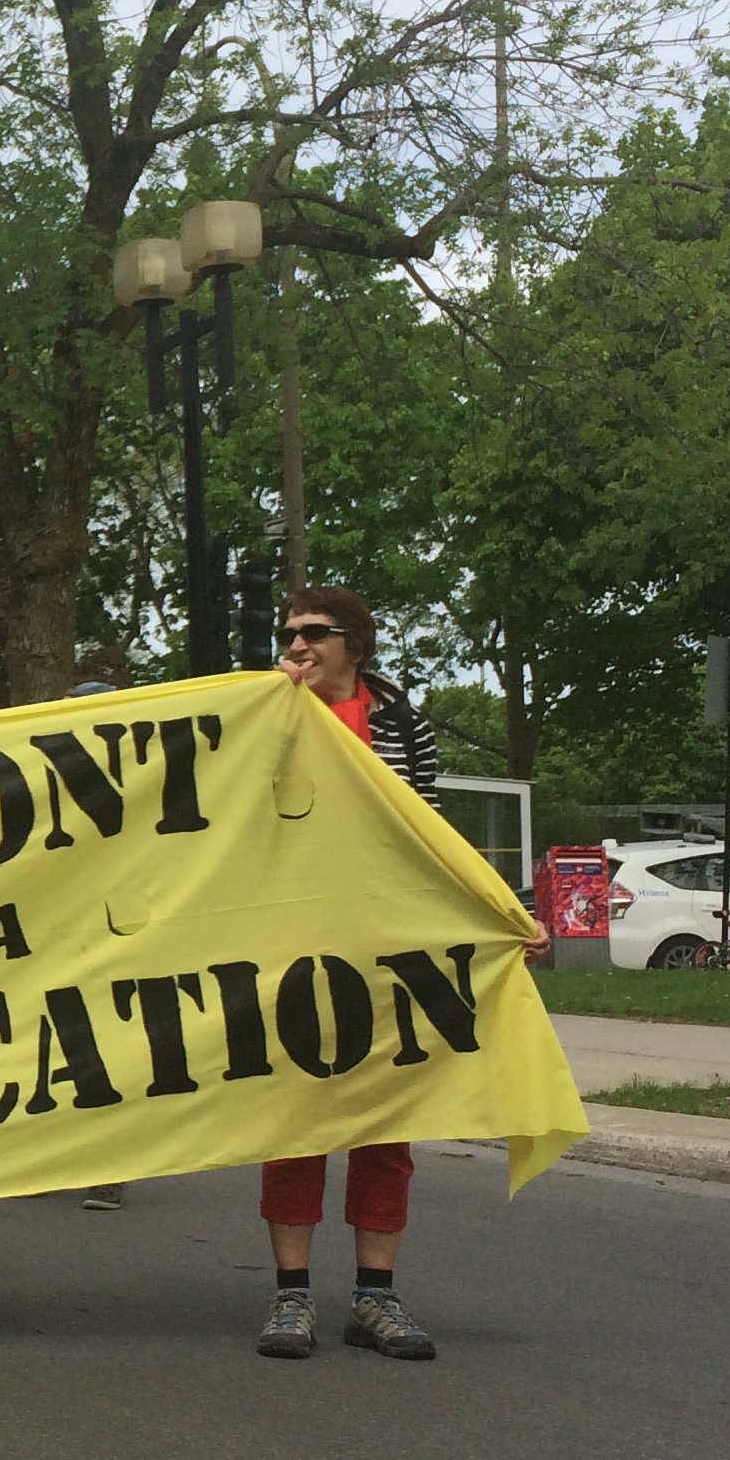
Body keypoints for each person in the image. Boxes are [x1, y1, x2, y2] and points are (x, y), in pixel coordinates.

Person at [254, 584, 446, 1364]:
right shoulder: (265, 716)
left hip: (386, 943)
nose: (298, 646)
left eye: (315, 634)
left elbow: (432, 830)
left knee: (384, 1124)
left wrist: (498, 915)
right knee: (296, 1122)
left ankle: (375, 1296)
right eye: (288, 633)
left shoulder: (400, 723)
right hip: (295, 940)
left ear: (355, 645)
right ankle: (291, 1295)